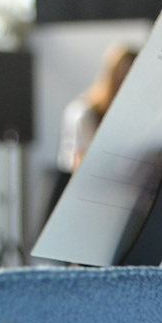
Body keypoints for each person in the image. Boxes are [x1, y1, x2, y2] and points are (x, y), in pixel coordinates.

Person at [50, 44, 137, 214]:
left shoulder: (128, 117)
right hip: (78, 192)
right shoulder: (84, 113)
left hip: (112, 191)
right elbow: (84, 165)